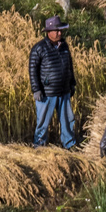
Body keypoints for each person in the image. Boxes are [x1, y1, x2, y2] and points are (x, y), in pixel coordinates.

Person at [29, 15, 78, 150]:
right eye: (57, 30)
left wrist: (72, 83)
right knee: (43, 122)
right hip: (47, 93)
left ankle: (70, 145)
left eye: (61, 30)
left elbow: (70, 66)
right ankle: (39, 146)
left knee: (68, 120)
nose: (60, 33)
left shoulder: (64, 46)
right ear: (49, 32)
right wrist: (36, 89)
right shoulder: (39, 48)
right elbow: (32, 70)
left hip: (64, 91)